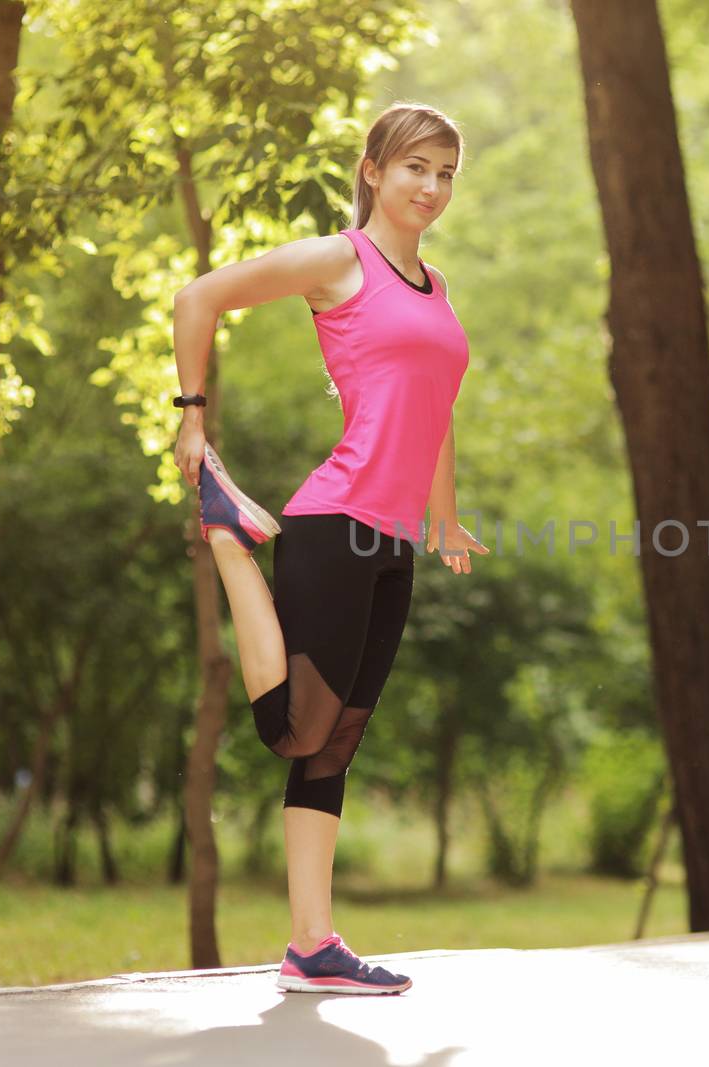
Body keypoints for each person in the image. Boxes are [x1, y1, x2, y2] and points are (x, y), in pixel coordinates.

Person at [170, 102, 490, 995]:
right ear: (374, 170)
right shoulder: (338, 261)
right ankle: (231, 541)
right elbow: (197, 297)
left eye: (446, 173)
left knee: (334, 743)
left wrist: (444, 516)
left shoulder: (437, 284)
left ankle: (312, 943)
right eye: (416, 167)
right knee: (294, 728)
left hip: (392, 539)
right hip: (334, 517)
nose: (431, 187)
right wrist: (192, 416)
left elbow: (436, 412)